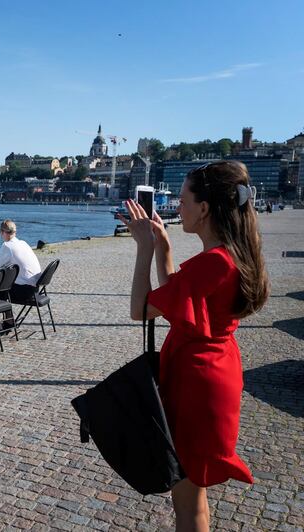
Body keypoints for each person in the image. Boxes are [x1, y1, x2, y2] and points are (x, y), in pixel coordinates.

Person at [117, 161, 268, 531]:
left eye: (183, 200)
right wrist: (164, 246)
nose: (177, 207)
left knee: (186, 503)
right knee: (192, 494)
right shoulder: (230, 256)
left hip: (196, 383)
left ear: (204, 208)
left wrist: (144, 247)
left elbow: (142, 309)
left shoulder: (211, 264)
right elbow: (177, 304)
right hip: (212, 372)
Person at [0, 219, 42, 304]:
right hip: (35, 289)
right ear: (14, 232)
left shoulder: (8, 245)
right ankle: (8, 315)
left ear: (2, 232)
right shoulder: (23, 243)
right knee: (5, 284)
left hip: (24, 292)